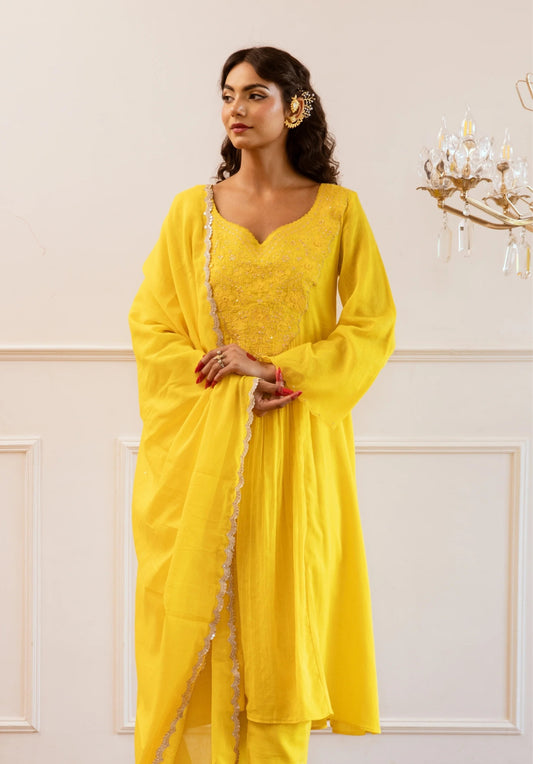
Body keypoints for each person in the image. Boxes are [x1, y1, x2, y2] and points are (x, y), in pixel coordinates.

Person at [128, 46, 396, 764]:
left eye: (254, 95)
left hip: (297, 443)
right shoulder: (192, 213)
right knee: (203, 611)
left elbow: (371, 326)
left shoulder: (339, 211)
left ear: (294, 107)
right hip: (205, 448)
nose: (235, 110)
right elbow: (152, 327)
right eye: (227, 95)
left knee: (286, 610)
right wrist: (231, 387)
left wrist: (273, 370)